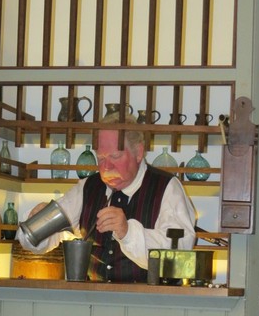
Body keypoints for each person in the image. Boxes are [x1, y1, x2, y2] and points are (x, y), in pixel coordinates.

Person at [16, 113, 196, 283]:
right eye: (100, 158)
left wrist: (127, 232)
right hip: (92, 304)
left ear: (139, 152)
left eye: (115, 156)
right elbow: (35, 241)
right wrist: (38, 222)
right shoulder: (88, 187)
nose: (107, 166)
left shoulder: (166, 187)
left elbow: (179, 259)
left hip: (151, 305)